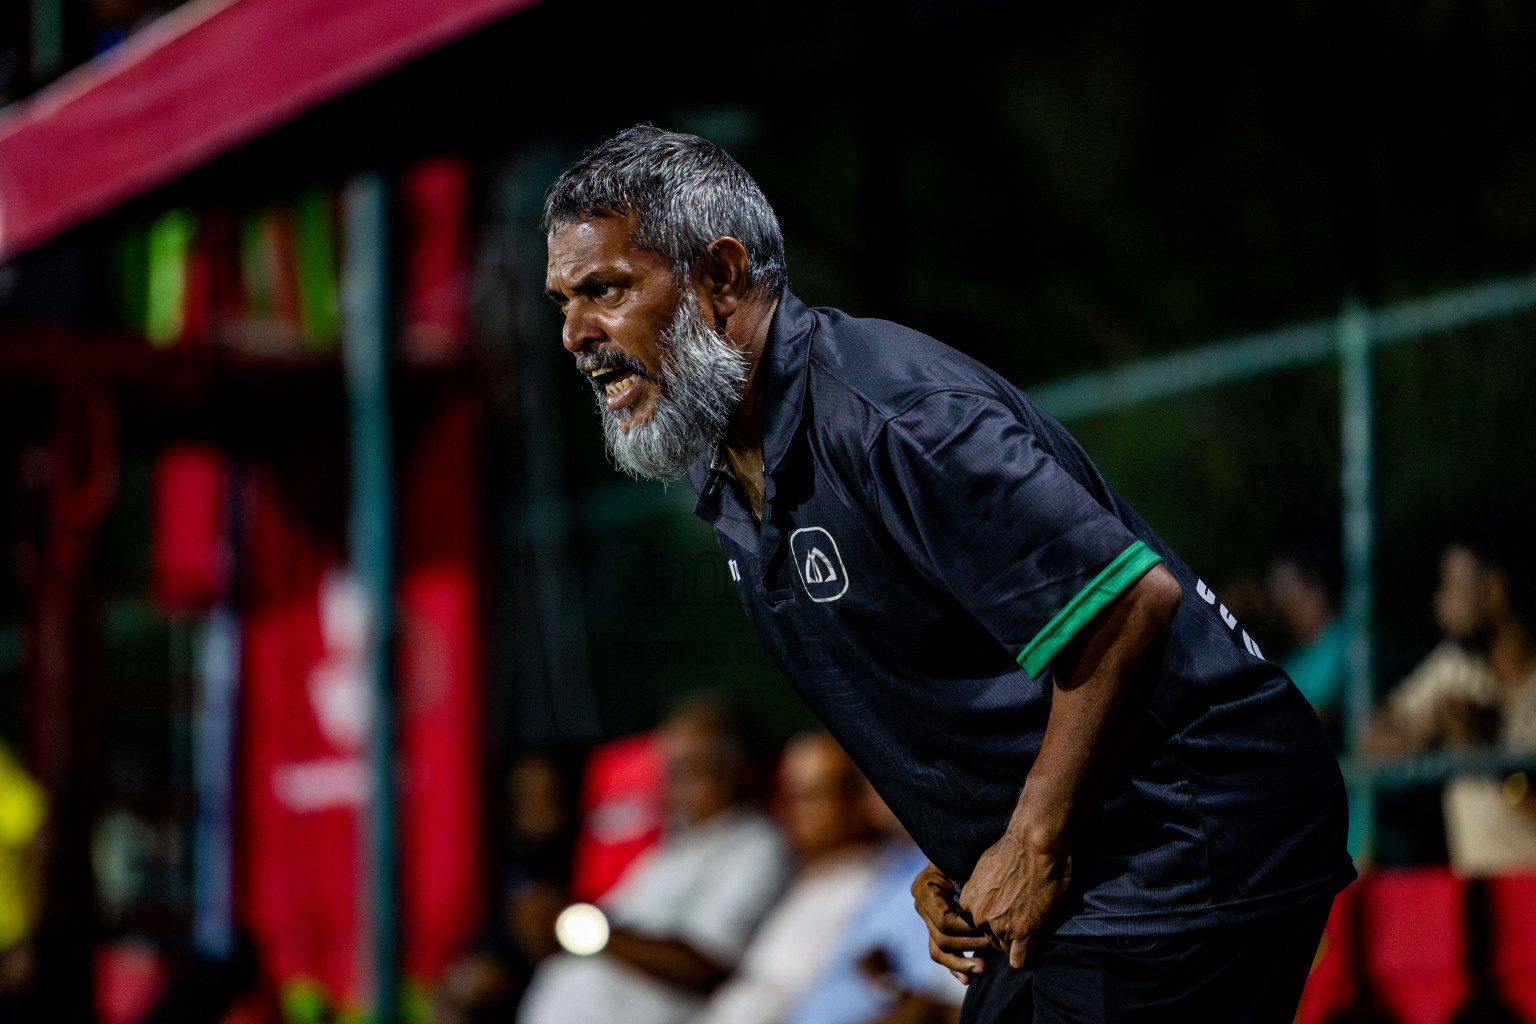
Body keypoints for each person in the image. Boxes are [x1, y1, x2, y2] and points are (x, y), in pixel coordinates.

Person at [542, 126, 1354, 1023]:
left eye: (605, 291)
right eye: (562, 302)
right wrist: (965, 844)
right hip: (1104, 844)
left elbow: (1126, 604)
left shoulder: (891, 414)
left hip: (1192, 833)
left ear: (722, 275)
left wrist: (1032, 839)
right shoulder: (728, 466)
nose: (577, 334)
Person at [516, 700, 792, 1024]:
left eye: (688, 771)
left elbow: (706, 965)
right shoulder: (678, 846)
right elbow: (613, 930)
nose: (673, 788)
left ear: (739, 771)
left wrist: (579, 926)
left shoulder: (758, 848)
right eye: (671, 772)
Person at [1368, 532, 1536, 874]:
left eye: (1453, 585)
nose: (1439, 601)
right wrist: (1425, 729)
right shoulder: (1456, 668)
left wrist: (1495, 756)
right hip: (1474, 897)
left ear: (1495, 590)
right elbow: (1373, 735)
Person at [693, 731, 885, 1024]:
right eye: (786, 794)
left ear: (856, 799)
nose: (792, 809)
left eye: (809, 795)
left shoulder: (874, 888)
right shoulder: (804, 879)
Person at [780, 780, 965, 1024]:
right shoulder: (892, 864)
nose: (872, 784)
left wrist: (887, 985)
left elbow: (936, 1006)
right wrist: (884, 982)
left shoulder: (952, 868)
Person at [1266, 540, 1349, 743]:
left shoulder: (1348, 638)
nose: (1280, 603)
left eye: (1287, 590)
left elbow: (1320, 713)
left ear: (1313, 590)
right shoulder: (1293, 657)